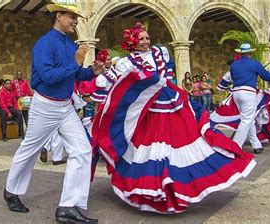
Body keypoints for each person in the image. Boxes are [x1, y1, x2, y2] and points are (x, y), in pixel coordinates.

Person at [91, 22, 256, 214]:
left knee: (182, 140)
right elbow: (107, 81)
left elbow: (166, 75)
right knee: (153, 147)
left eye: (147, 38)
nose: (146, 42)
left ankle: (178, 185)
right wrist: (101, 72)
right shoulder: (126, 62)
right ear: (133, 42)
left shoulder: (160, 53)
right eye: (141, 39)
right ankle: (157, 187)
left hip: (172, 103)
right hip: (150, 111)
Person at [3, 1, 103, 223]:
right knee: (30, 149)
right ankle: (11, 191)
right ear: (59, 16)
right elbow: (48, 77)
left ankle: (68, 206)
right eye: (72, 16)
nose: (76, 21)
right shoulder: (44, 44)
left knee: (83, 149)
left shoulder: (69, 44)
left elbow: (75, 76)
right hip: (45, 105)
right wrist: (76, 62)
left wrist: (91, 72)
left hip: (65, 106)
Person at [221, 44, 270, 154]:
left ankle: (256, 145)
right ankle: (235, 146)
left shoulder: (234, 66)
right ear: (250, 53)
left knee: (249, 119)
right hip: (248, 93)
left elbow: (229, 80)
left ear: (240, 53)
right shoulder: (254, 64)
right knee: (246, 120)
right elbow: (268, 77)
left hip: (236, 94)